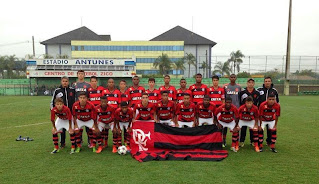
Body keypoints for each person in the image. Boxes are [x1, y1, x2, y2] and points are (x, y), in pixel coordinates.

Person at [50, 76, 75, 149]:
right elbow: (52, 102)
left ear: (68, 82)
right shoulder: (57, 90)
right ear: (61, 82)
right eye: (63, 81)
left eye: (66, 81)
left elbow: (75, 100)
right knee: (62, 130)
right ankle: (62, 143)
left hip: (70, 113)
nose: (65, 82)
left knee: (71, 129)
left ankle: (74, 143)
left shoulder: (72, 90)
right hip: (61, 114)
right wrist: (54, 110)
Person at [257, 76, 280, 147]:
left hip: (270, 113)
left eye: (269, 81)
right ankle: (258, 142)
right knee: (260, 128)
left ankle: (269, 141)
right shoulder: (259, 90)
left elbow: (277, 102)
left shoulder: (274, 90)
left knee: (270, 129)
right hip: (261, 112)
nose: (267, 82)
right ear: (264, 82)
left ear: (271, 82)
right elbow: (256, 100)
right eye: (266, 81)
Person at [238, 78, 260, 147]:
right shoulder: (242, 92)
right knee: (243, 128)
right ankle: (241, 141)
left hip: (253, 113)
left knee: (252, 128)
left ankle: (252, 141)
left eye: (252, 82)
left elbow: (258, 103)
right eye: (249, 82)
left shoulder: (257, 92)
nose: (250, 84)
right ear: (247, 83)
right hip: (244, 113)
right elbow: (240, 102)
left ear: (254, 84)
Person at [73, 70, 92, 147]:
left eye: (82, 74)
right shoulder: (74, 85)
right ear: (77, 75)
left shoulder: (88, 85)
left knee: (88, 125)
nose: (80, 75)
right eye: (79, 74)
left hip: (86, 107)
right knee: (78, 125)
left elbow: (89, 96)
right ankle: (79, 141)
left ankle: (89, 141)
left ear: (84, 75)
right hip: (78, 108)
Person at [222, 74, 241, 147]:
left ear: (236, 78)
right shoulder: (226, 87)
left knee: (236, 125)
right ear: (229, 78)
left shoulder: (238, 87)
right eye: (231, 77)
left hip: (236, 108)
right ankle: (224, 140)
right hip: (227, 109)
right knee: (225, 124)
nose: (233, 78)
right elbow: (223, 98)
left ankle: (236, 141)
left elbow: (239, 98)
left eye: (234, 77)